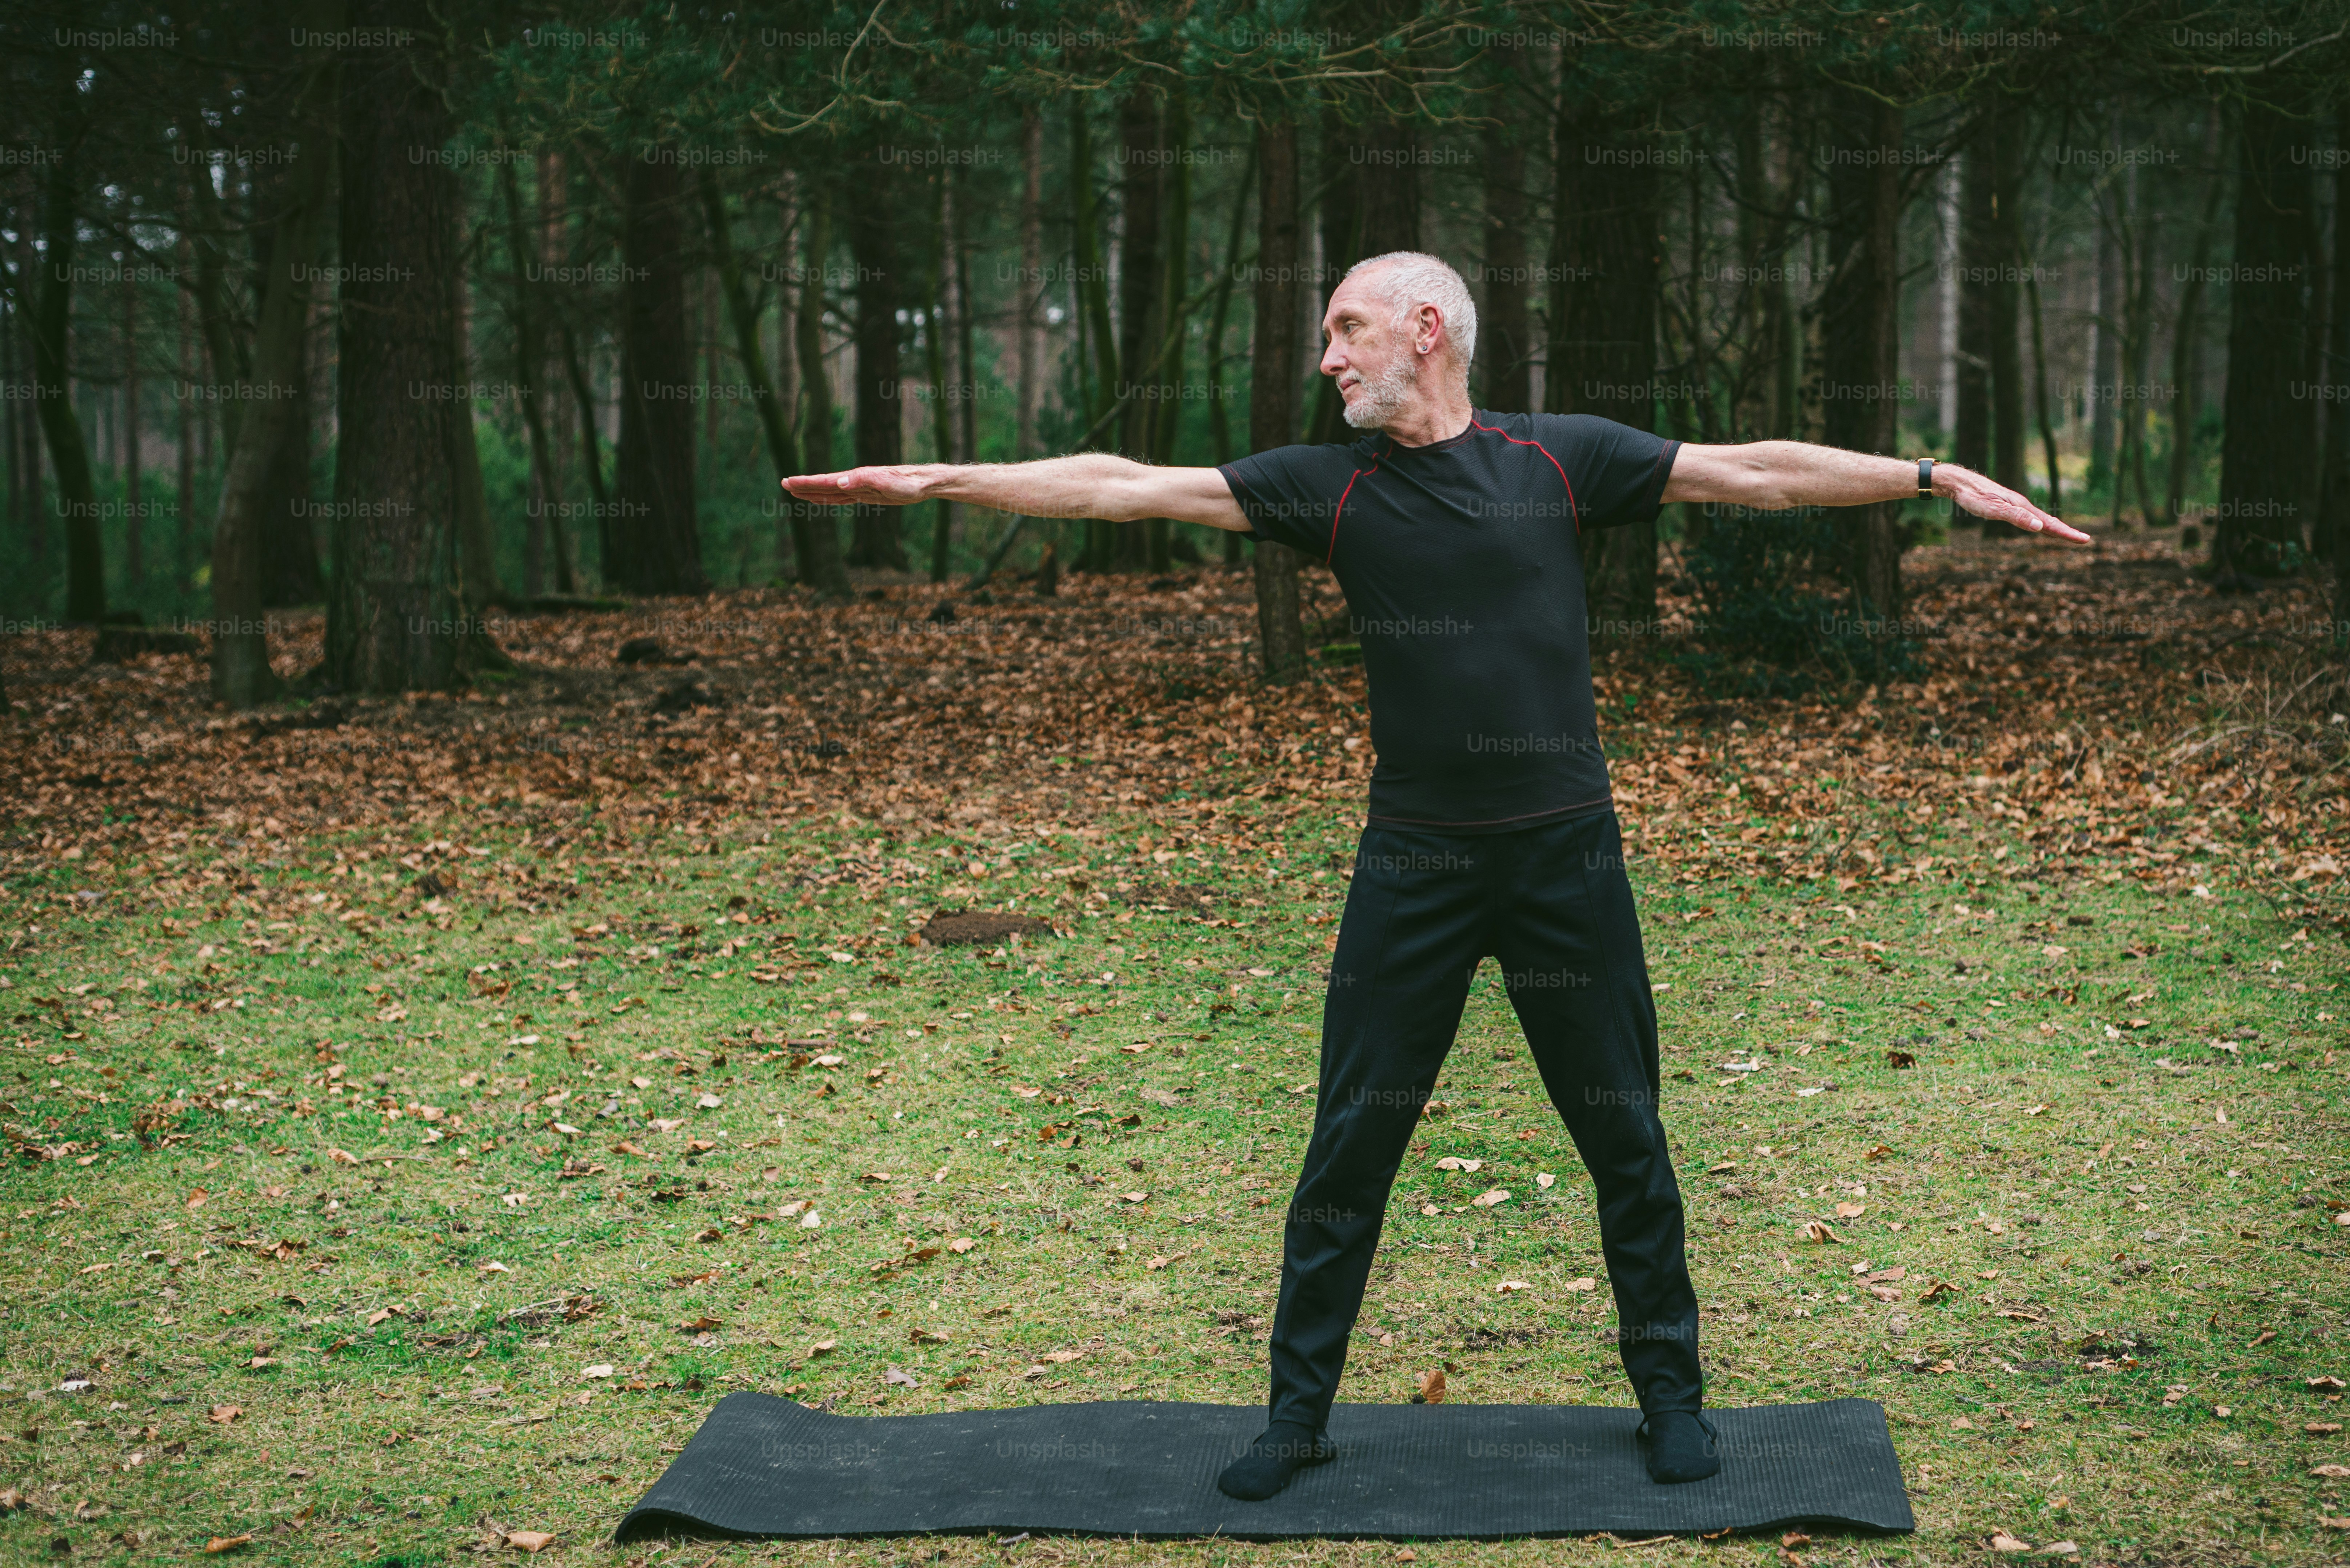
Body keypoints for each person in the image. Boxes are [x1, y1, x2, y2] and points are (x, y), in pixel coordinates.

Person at [785, 251, 2089, 1499]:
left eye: (1345, 329)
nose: (1324, 357)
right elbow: (1122, 484)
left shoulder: (1558, 456)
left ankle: (1673, 1400)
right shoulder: (1329, 486)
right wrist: (932, 482)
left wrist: (1929, 474)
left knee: (1622, 1128)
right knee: (1352, 1138)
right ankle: (1297, 1420)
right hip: (1412, 866)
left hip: (1565, 856)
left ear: (1426, 328)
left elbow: (1754, 469)